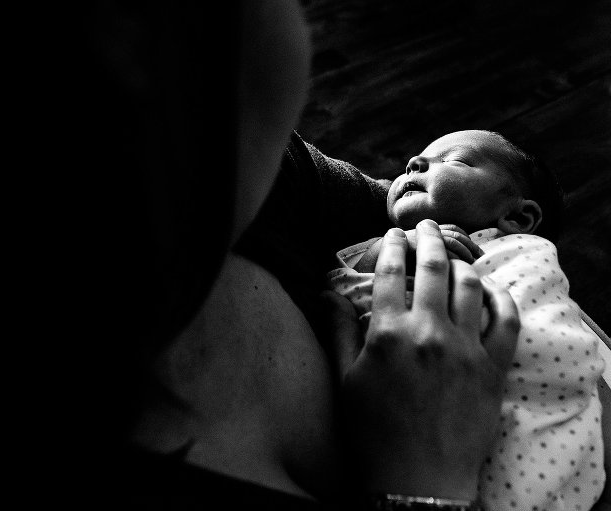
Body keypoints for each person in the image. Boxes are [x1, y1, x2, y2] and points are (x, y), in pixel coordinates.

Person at [95, 2, 523, 509]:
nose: (414, 163)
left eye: (450, 161)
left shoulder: (273, 173)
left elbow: (384, 199)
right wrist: (426, 488)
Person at [329, 130, 608, 511]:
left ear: (517, 216)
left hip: (541, 389)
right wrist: (382, 252)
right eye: (413, 161)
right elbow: (347, 288)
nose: (413, 163)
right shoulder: (394, 245)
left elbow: (556, 326)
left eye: (454, 160)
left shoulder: (524, 252)